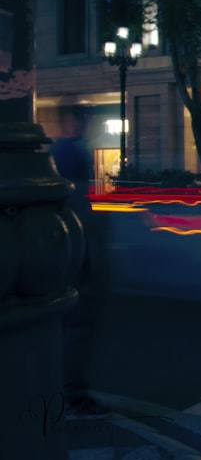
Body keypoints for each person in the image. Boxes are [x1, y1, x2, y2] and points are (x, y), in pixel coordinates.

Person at [51, 109, 110, 414]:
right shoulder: (70, 158)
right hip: (78, 262)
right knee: (77, 324)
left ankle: (63, 386)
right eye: (80, 119)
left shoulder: (57, 154)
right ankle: (70, 390)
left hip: (64, 261)